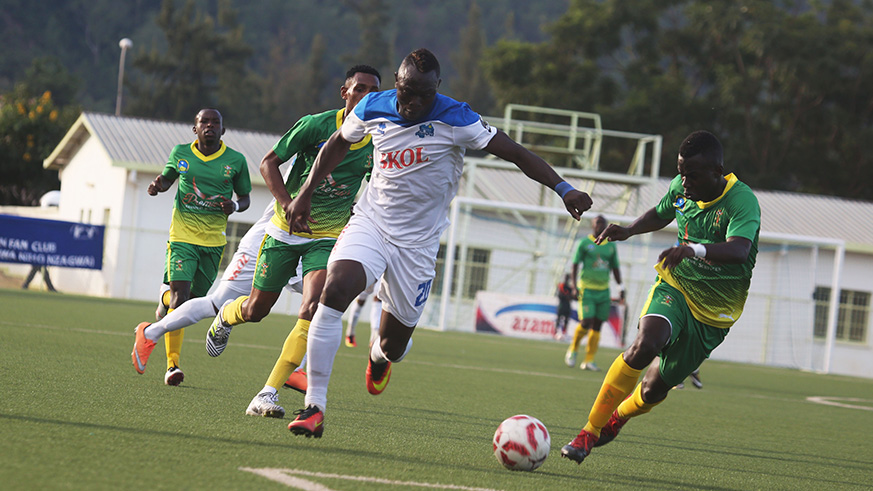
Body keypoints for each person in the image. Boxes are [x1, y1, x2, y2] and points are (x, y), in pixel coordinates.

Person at [284, 48, 593, 438]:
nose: (413, 102)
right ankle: (314, 406)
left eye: (423, 94)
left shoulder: (457, 118)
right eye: (406, 92)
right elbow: (337, 144)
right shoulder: (373, 107)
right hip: (372, 223)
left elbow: (514, 152)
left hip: (418, 245)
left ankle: (379, 356)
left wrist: (563, 188)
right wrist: (306, 192)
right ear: (397, 84)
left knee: (394, 345)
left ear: (437, 89)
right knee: (335, 289)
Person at [560, 130, 760, 464]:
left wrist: (692, 249)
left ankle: (618, 418)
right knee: (646, 344)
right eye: (681, 173)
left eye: (692, 176)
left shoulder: (742, 201)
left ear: (717, 172)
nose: (684, 182)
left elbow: (740, 250)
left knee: (654, 389)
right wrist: (629, 230)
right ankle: (588, 433)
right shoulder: (681, 188)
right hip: (676, 286)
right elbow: (662, 211)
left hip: (715, 314)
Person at [201, 65, 382, 419]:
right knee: (255, 310)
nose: (365, 96)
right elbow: (269, 162)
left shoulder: (379, 139)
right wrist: (288, 205)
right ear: (343, 93)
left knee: (314, 309)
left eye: (373, 91)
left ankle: (266, 394)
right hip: (284, 232)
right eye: (358, 89)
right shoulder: (315, 125)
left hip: (328, 237)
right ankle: (226, 316)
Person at [131, 198, 308, 393]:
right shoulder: (303, 168)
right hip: (267, 241)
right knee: (217, 303)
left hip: (309, 247)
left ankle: (296, 367)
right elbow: (268, 167)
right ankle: (150, 333)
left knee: (321, 301)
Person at [146, 108, 251, 386]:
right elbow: (168, 178)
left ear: (222, 130)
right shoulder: (180, 153)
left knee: (193, 304)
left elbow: (246, 199)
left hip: (214, 241)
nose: (210, 126)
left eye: (215, 122)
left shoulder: (236, 161)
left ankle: (164, 299)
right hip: (182, 236)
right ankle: (172, 366)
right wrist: (159, 185)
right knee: (181, 299)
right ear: (195, 129)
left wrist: (235, 206)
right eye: (204, 122)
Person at [564, 215, 624, 371]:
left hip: (604, 290)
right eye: (598, 223)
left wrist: (621, 287)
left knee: (597, 325)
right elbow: (575, 264)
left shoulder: (610, 246)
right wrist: (573, 285)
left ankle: (589, 360)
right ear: (592, 225)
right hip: (587, 289)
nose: (600, 226)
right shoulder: (584, 243)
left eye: (603, 224)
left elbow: (615, 268)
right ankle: (573, 349)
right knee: (586, 321)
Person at [554, 274, 574, 341]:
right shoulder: (561, 286)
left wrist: (570, 297)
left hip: (567, 305)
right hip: (562, 304)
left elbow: (573, 296)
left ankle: (564, 333)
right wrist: (567, 297)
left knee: (566, 320)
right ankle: (555, 332)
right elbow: (559, 295)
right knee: (559, 319)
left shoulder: (570, 288)